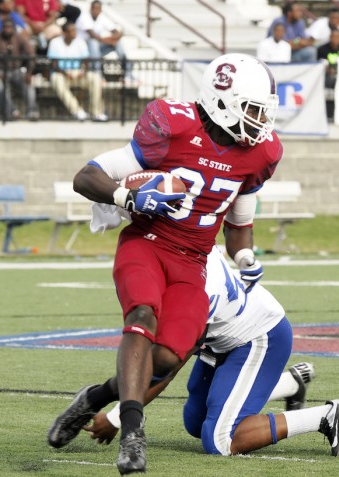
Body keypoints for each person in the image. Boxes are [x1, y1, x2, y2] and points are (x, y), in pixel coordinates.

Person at [46, 52, 282, 475]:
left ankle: (94, 397)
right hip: (148, 244)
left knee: (167, 358)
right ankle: (134, 433)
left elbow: (238, 225)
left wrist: (245, 256)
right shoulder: (173, 125)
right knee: (141, 316)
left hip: (194, 263)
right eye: (252, 109)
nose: (259, 121)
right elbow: (86, 177)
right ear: (222, 100)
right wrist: (127, 196)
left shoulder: (258, 154)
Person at [80, 246, 339, 458]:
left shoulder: (199, 292)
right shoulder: (180, 258)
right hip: (221, 340)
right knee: (196, 422)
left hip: (259, 336)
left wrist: (118, 418)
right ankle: (288, 384)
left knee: (221, 440)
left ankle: (325, 416)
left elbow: (164, 373)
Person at [46, 21, 107, 121]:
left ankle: (97, 113)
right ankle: (77, 111)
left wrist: (83, 71)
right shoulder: (55, 42)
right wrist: (66, 73)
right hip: (62, 74)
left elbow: (86, 61)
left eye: (75, 30)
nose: (75, 33)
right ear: (65, 33)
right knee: (55, 79)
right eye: (72, 31)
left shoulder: (80, 41)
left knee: (95, 78)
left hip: (78, 73)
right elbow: (54, 64)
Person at [0, 16, 38, 120]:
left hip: (16, 70)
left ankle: (32, 111)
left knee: (29, 85)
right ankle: (12, 111)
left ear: (13, 27)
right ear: (2, 28)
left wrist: (29, 72)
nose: (7, 29)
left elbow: (31, 54)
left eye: (9, 27)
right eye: (5, 27)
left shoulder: (19, 37)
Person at [76, 0, 127, 72]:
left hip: (96, 49)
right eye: (94, 8)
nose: (96, 10)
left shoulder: (102, 17)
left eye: (98, 8)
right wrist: (109, 40)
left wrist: (112, 39)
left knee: (118, 42)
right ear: (90, 8)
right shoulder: (84, 16)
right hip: (83, 48)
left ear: (101, 9)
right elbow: (93, 35)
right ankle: (97, 73)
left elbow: (118, 33)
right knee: (93, 42)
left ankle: (127, 72)